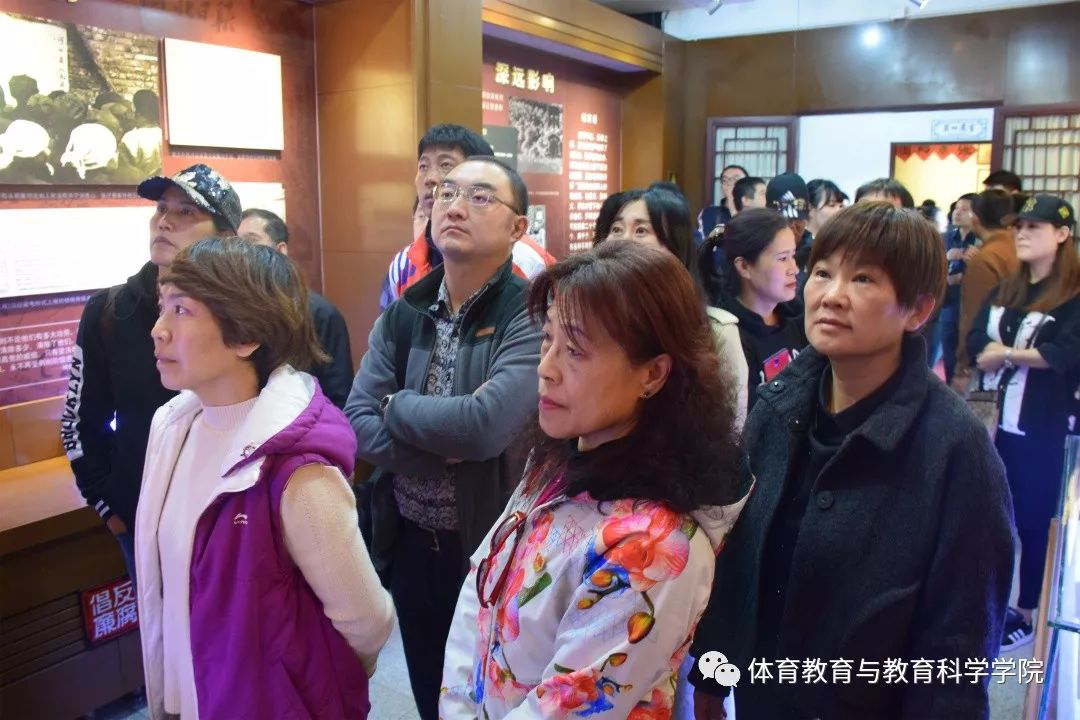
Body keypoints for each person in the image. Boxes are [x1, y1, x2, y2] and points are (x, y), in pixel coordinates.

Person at [691, 201, 1015, 719]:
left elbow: (959, 648)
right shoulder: (778, 408)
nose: (832, 295)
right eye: (822, 272)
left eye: (863, 279)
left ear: (918, 309)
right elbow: (739, 558)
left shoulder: (957, 450)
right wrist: (712, 674)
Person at [440, 239, 750, 719]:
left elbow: (566, 706)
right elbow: (478, 598)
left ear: (653, 373)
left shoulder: (655, 544)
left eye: (576, 351)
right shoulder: (559, 459)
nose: (546, 369)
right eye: (547, 340)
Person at [135, 237, 394, 719]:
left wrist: (300, 682)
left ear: (245, 336)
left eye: (182, 310)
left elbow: (368, 621)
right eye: (161, 306)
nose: (158, 330)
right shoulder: (173, 428)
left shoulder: (296, 468)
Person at [345, 156, 543, 719]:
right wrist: (437, 454)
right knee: (430, 693)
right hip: (410, 540)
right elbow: (356, 420)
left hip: (491, 547)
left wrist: (396, 407)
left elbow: (483, 428)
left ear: (517, 227)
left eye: (480, 197)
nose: (453, 206)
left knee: (492, 700)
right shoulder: (406, 312)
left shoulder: (529, 311)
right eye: (446, 192)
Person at [62, 163, 239, 586]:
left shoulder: (245, 315)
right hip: (146, 522)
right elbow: (79, 423)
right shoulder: (110, 311)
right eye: (161, 208)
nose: (164, 221)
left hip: (233, 519)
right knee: (161, 628)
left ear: (226, 238)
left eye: (186, 212)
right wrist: (112, 507)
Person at [967, 194, 1080, 651]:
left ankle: (1029, 608)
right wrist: (999, 353)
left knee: (1035, 520)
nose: (1022, 234)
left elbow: (1065, 354)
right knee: (993, 514)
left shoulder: (1072, 296)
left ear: (1062, 234)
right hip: (995, 419)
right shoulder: (1007, 289)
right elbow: (975, 338)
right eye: (1019, 226)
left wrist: (1007, 354)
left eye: (1034, 227)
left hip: (1044, 423)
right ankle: (989, 603)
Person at [379, 124, 553, 311]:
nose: (430, 178)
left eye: (445, 165)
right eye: (423, 166)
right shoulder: (403, 265)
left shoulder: (529, 262)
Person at [238, 208, 354, 409]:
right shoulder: (231, 310)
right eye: (235, 243)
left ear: (280, 249)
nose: (240, 251)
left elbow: (339, 395)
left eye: (250, 241)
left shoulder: (320, 312)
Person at [697, 208, 805, 415]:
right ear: (744, 266)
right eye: (782, 259)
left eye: (793, 256)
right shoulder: (726, 335)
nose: (795, 269)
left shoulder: (797, 316)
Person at [953, 188, 1021, 392]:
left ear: (976, 219)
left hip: (986, 354)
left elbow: (972, 314)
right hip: (1016, 345)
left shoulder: (984, 259)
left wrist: (962, 363)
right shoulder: (1018, 248)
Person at [938, 193, 979, 383]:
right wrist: (946, 259)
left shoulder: (981, 241)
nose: (958, 213)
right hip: (948, 306)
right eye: (956, 208)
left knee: (971, 361)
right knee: (949, 357)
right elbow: (931, 270)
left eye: (964, 209)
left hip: (973, 309)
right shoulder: (944, 238)